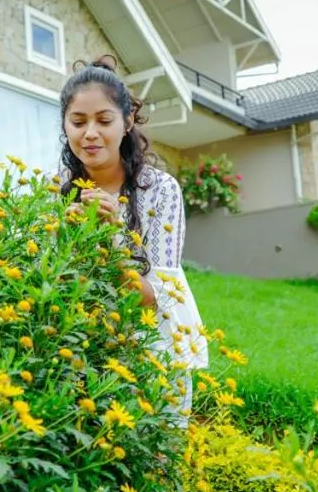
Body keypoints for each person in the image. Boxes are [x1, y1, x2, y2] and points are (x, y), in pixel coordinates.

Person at [57, 56, 208, 425]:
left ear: (127, 123)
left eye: (104, 121)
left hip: (153, 352)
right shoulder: (58, 191)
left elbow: (151, 299)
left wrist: (110, 237)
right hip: (81, 351)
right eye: (78, 122)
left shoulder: (159, 190)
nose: (90, 133)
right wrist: (63, 236)